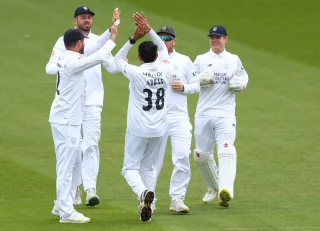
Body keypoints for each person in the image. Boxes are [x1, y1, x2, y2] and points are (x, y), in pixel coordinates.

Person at [46, 6, 121, 207]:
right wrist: (68, 64)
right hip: (71, 105)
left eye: (89, 17)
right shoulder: (66, 43)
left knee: (90, 144)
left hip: (93, 101)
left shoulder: (94, 41)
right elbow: (50, 67)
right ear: (75, 20)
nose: (86, 20)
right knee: (72, 149)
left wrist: (114, 32)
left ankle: (90, 189)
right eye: (82, 17)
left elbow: (107, 62)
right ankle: (72, 192)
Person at [114, 12, 172, 222]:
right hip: (159, 128)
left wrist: (133, 38)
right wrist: (149, 29)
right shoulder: (166, 70)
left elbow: (117, 59)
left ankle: (143, 194)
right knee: (149, 167)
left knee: (129, 168)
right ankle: (150, 205)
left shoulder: (136, 72)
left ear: (139, 57)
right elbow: (165, 47)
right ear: (156, 57)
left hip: (138, 128)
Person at [193, 25, 249, 208]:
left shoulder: (233, 59)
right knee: (201, 155)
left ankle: (226, 190)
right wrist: (199, 79)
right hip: (203, 113)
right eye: (212, 37)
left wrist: (240, 84)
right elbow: (190, 78)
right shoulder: (201, 59)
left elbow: (243, 75)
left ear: (226, 39)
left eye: (218, 37)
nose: (214, 40)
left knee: (225, 148)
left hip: (225, 114)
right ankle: (213, 187)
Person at [152, 26, 200, 214]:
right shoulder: (152, 59)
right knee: (154, 161)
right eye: (161, 37)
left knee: (181, 156)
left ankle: (177, 199)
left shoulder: (184, 61)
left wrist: (184, 87)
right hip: (157, 117)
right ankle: (150, 198)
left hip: (179, 117)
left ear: (174, 41)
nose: (164, 41)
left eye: (168, 38)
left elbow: (197, 85)